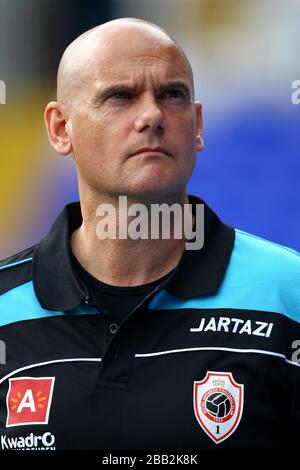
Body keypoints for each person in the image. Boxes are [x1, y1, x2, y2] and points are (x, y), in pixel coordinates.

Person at [0, 17, 299, 451]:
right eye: (120, 96)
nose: (153, 116)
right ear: (61, 128)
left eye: (172, 95)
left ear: (197, 125)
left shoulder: (287, 294)